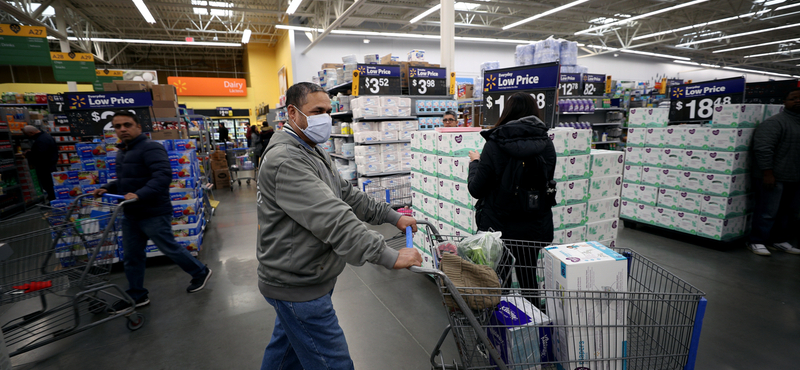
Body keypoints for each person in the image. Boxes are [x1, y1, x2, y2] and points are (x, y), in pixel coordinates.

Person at [257, 82, 422, 370]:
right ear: (292, 113)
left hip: (303, 274)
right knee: (334, 364)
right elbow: (332, 216)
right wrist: (388, 254)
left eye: (329, 111)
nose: (326, 118)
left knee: (285, 354)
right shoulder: (286, 159)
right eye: (317, 111)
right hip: (297, 283)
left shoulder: (311, 148)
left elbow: (345, 193)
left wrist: (392, 216)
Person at [93, 111, 212, 313]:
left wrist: (140, 195)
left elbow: (162, 177)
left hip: (153, 210)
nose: (122, 129)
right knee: (132, 256)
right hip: (131, 212)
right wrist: (109, 187)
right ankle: (137, 295)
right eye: (118, 126)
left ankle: (200, 271)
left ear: (138, 127)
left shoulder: (151, 148)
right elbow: (127, 181)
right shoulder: (122, 152)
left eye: (127, 125)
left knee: (169, 247)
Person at [467, 92, 556, 290]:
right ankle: (532, 317)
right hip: (534, 225)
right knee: (528, 276)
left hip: (499, 226)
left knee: (500, 278)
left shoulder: (494, 144)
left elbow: (476, 189)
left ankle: (503, 317)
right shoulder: (547, 145)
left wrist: (475, 163)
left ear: (506, 112)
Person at [748, 89, 800, 256]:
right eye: (793, 98)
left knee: (787, 212)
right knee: (767, 211)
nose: (797, 101)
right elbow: (763, 149)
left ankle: (778, 241)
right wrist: (767, 173)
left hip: (794, 176)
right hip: (773, 177)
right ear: (784, 102)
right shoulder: (774, 123)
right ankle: (756, 241)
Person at [22, 125, 58, 201]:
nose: (27, 136)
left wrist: (29, 154)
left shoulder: (41, 140)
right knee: (50, 184)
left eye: (27, 134)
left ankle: (53, 200)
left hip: (45, 167)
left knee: (48, 184)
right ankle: (53, 199)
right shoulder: (46, 137)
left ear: (32, 133)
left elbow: (41, 154)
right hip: (50, 165)